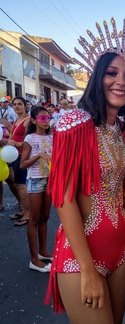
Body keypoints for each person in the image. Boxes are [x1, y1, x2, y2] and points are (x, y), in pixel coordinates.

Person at [45, 18, 125, 324]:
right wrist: (88, 269)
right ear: (97, 76)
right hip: (81, 256)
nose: (121, 81)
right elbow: (63, 199)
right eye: (112, 73)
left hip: (122, 248)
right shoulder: (74, 124)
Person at [20, 106, 53, 273]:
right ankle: (34, 259)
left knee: (45, 217)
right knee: (34, 219)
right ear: (34, 120)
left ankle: (43, 251)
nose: (46, 121)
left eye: (48, 118)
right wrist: (39, 155)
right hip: (35, 180)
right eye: (42, 118)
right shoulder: (30, 138)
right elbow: (22, 164)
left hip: (49, 180)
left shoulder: (52, 137)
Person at [8, 97, 31, 226]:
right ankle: (24, 210)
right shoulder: (17, 119)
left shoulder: (27, 120)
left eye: (20, 104)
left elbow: (29, 141)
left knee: (21, 185)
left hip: (22, 155)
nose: (17, 107)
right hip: (15, 155)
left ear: (25, 106)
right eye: (15, 104)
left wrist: (15, 143)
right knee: (17, 184)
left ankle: (28, 214)